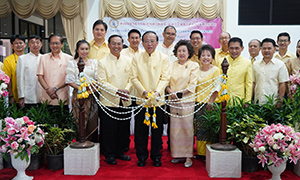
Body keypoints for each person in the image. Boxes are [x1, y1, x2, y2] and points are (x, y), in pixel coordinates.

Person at [130, 31, 170, 167]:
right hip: (141, 101)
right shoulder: (136, 58)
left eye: (152, 41)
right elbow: (133, 77)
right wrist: (143, 92)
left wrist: (158, 92)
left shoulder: (163, 58)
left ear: (157, 43)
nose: (149, 44)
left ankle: (156, 157)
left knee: (157, 132)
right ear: (142, 42)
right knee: (140, 132)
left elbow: (165, 78)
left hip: (158, 101)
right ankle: (141, 157)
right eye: (146, 41)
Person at [98, 35, 132, 165]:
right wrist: (117, 91)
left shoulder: (129, 60)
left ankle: (120, 152)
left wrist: (127, 90)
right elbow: (102, 82)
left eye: (119, 44)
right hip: (109, 101)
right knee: (108, 129)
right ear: (109, 45)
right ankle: (109, 154)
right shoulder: (102, 62)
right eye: (113, 44)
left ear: (123, 45)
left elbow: (132, 79)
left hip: (125, 100)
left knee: (123, 128)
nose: (116, 46)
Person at [166, 40, 199, 168]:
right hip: (173, 101)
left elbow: (192, 84)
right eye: (179, 51)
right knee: (175, 130)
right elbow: (166, 82)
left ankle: (188, 157)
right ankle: (178, 155)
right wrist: (170, 92)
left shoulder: (194, 65)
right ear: (176, 52)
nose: (181, 53)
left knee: (187, 129)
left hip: (187, 101)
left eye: (184, 51)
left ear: (189, 52)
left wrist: (179, 94)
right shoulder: (171, 65)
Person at [65, 40, 98, 141]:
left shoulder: (94, 62)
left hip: (92, 94)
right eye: (82, 49)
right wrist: (82, 89)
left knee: (92, 119)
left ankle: (91, 141)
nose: (84, 51)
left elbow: (97, 79)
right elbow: (69, 80)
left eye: (86, 49)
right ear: (77, 50)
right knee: (79, 119)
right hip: (78, 95)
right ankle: (81, 140)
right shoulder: (72, 63)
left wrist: (90, 90)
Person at [194, 45, 221, 160]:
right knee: (200, 129)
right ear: (199, 57)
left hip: (212, 104)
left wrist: (210, 102)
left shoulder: (216, 70)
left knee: (211, 129)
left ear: (212, 57)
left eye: (208, 55)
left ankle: (211, 153)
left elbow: (217, 87)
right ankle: (201, 153)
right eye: (203, 55)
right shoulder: (196, 70)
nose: (205, 57)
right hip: (199, 103)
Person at [121, 29, 144, 151]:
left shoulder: (145, 54)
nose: (135, 40)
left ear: (140, 40)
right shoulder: (123, 53)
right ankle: (124, 146)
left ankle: (139, 146)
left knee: (140, 123)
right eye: (132, 38)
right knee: (125, 122)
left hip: (140, 93)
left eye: (137, 38)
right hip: (126, 93)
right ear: (128, 39)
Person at [37, 34, 73, 107]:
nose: (54, 45)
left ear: (62, 44)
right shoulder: (43, 58)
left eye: (57, 43)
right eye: (52, 43)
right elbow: (40, 76)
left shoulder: (69, 59)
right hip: (46, 98)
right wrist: (49, 90)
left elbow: (68, 78)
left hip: (62, 98)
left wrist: (55, 88)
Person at [253, 38, 289, 105]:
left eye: (269, 48)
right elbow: (253, 83)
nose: (266, 51)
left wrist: (280, 101)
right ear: (261, 49)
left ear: (274, 49)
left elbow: (282, 84)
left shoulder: (280, 65)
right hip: (258, 103)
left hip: (273, 104)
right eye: (264, 48)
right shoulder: (255, 64)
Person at [16, 35, 43, 109]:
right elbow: (20, 78)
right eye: (32, 43)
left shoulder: (44, 58)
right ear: (28, 45)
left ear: (41, 44)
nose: (35, 45)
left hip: (43, 96)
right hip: (28, 97)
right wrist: (21, 96)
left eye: (37, 42)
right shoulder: (22, 59)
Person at [225, 37, 252, 106]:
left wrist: (247, 101)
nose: (234, 51)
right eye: (231, 48)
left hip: (239, 101)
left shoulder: (247, 63)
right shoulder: (222, 61)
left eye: (237, 48)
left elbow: (249, 84)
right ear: (228, 48)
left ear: (242, 48)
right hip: (223, 101)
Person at [3, 34, 26, 104]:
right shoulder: (8, 60)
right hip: (15, 97)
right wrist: (11, 96)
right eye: (16, 43)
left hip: (29, 96)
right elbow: (7, 80)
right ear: (12, 46)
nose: (18, 45)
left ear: (25, 45)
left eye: (21, 43)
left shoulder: (28, 58)